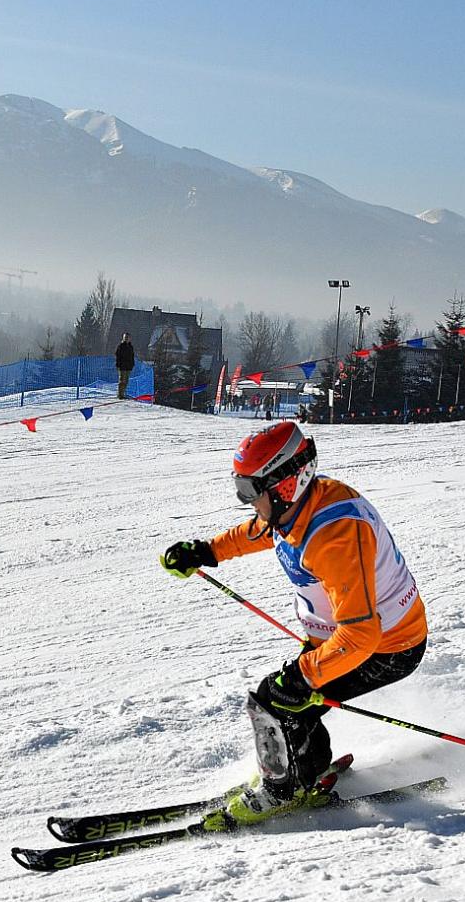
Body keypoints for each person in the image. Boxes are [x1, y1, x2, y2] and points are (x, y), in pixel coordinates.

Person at [160, 421, 429, 829]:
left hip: (386, 647)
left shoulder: (335, 534)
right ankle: (304, 771)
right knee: (293, 702)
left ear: (286, 483)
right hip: (342, 639)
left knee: (276, 698)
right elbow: (261, 532)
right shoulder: (300, 506)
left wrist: (304, 676)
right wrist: (207, 551)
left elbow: (362, 634)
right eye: (241, 488)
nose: (246, 501)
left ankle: (284, 791)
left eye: (251, 490)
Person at [114, 332, 136, 400]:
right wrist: (118, 364)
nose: (126, 339)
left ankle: (123, 393)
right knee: (122, 381)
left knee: (126, 381)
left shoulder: (130, 346)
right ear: (123, 338)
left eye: (127, 338)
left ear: (129, 338)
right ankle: (120, 394)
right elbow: (117, 355)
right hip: (122, 366)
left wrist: (132, 364)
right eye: (125, 337)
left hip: (128, 367)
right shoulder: (120, 346)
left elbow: (132, 356)